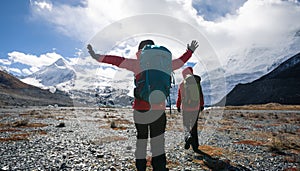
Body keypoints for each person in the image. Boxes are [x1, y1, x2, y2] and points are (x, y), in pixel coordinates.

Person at [87, 40, 199, 171]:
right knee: (158, 141)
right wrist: (190, 51)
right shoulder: (165, 64)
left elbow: (116, 60)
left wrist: (97, 56)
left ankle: (141, 167)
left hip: (140, 110)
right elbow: (181, 61)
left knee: (141, 140)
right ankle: (159, 167)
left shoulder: (137, 63)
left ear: (141, 51)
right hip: (158, 110)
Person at [176, 67, 205, 154]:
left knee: (186, 125)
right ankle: (195, 146)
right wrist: (202, 105)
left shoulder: (182, 84)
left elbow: (179, 97)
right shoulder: (197, 82)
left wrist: (178, 106)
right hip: (196, 108)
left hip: (186, 108)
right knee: (194, 127)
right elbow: (201, 95)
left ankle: (188, 137)